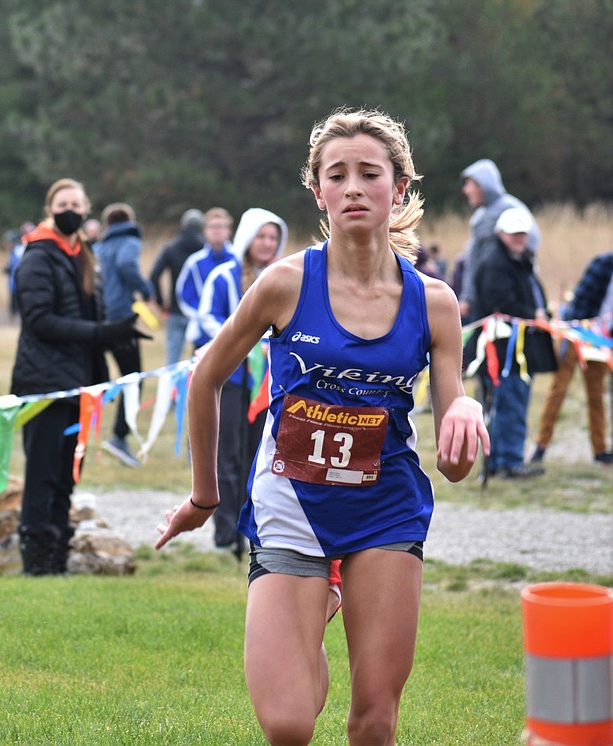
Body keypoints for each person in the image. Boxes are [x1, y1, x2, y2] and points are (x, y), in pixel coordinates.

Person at [156, 109, 489, 744]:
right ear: (318, 191)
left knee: (374, 721)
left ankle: (332, 595)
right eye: (337, 175)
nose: (355, 187)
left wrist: (465, 412)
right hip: (292, 500)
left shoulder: (435, 302)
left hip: (384, 506)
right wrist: (205, 497)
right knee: (287, 725)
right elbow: (205, 379)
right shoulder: (283, 283)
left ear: (400, 186)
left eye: (371, 173)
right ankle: (316, 606)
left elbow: (453, 464)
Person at [11, 178, 146, 576]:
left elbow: (94, 318)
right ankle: (35, 560)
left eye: (77, 202)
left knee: (68, 474)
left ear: (87, 209)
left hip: (82, 383)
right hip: (43, 383)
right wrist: (102, 334)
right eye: (62, 202)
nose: (70, 208)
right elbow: (39, 321)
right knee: (43, 474)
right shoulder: (37, 255)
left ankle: (57, 557)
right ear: (51, 208)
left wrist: (121, 342)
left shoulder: (85, 255)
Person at [195, 208, 288, 557]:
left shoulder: (283, 276)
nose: (266, 243)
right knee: (227, 455)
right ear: (249, 238)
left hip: (265, 384)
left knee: (258, 455)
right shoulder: (223, 276)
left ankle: (253, 532)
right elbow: (207, 317)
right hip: (229, 378)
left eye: (272, 238)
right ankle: (224, 534)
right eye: (261, 236)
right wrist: (239, 341)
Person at [470, 207, 554, 479]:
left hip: (515, 347)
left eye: (522, 234)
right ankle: (510, 461)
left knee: (508, 403)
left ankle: (499, 460)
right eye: (514, 234)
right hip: (506, 350)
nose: (519, 239)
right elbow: (500, 304)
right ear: (501, 234)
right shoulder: (497, 262)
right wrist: (534, 315)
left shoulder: (516, 258)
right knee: (511, 403)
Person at [531, 251, 613, 466]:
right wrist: (572, 334)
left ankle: (600, 450)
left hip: (601, 340)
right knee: (559, 390)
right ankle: (541, 445)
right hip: (576, 333)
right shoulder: (603, 264)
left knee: (596, 394)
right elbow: (580, 301)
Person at [93, 202, 154, 468]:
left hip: (99, 319)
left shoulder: (99, 246)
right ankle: (119, 437)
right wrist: (146, 289)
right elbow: (126, 264)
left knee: (97, 378)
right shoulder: (129, 240)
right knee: (133, 379)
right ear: (130, 220)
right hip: (120, 319)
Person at [458, 158, 540, 322]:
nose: (466, 190)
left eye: (470, 184)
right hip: (483, 297)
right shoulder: (481, 216)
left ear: (484, 184)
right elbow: (474, 260)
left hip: (505, 294)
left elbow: (531, 242)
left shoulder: (508, 208)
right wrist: (467, 297)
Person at [149, 208, 205, 365]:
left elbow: (154, 276)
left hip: (174, 310)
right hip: (199, 312)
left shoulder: (171, 248)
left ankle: (168, 390)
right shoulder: (206, 250)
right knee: (201, 361)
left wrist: (161, 303)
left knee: (172, 363)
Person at [176, 207, 235, 350]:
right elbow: (184, 295)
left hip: (235, 332)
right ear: (205, 230)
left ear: (229, 230)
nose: (217, 230)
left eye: (221, 226)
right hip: (203, 336)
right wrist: (204, 316)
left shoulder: (238, 259)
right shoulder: (195, 262)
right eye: (213, 226)